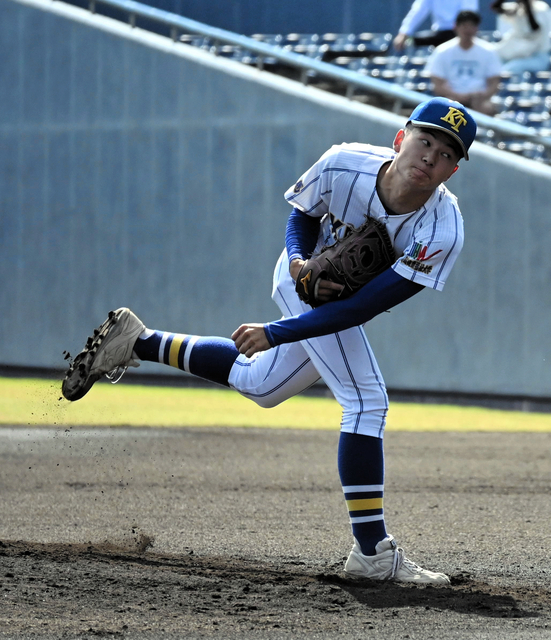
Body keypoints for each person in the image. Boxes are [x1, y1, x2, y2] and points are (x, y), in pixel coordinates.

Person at [62, 97, 477, 585]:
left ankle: (139, 341)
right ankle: (372, 554)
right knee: (366, 401)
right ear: (400, 138)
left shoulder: (442, 229)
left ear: (453, 169)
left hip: (339, 304)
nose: (431, 156)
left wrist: (276, 334)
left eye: (447, 153)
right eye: (425, 140)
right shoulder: (345, 162)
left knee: (261, 386)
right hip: (294, 278)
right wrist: (301, 263)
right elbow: (303, 214)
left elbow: (360, 308)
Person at [425, 11, 502, 115]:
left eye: (471, 25)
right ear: (456, 27)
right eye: (464, 25)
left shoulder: (488, 51)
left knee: (488, 107)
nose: (468, 30)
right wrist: (456, 96)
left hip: (479, 100)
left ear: (477, 28)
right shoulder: (442, 51)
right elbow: (437, 84)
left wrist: (481, 96)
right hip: (450, 99)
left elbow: (494, 83)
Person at [490, 0, 551, 75]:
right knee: (491, 62)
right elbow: (496, 7)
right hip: (515, 54)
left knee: (510, 69)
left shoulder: (541, 7)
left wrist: (527, 4)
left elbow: (535, 29)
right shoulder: (517, 7)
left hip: (537, 57)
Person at [393, 0, 480, 51]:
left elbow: (469, 15)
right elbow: (418, 10)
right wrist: (404, 33)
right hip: (440, 35)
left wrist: (462, 31)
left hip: (462, 33)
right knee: (412, 42)